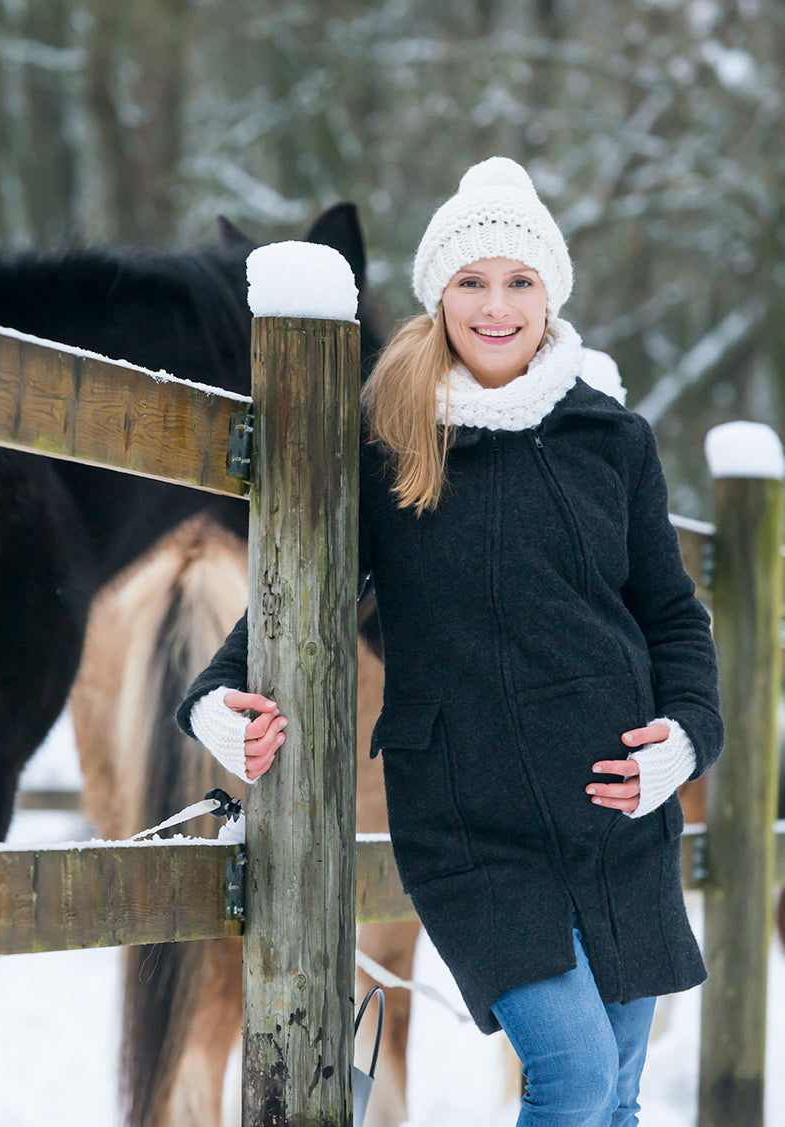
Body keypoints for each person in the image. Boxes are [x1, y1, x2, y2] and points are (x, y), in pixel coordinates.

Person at [175, 157, 723, 1127]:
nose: (495, 305)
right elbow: (302, 591)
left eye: (518, 280)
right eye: (471, 281)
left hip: (616, 810)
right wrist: (213, 695)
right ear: (438, 295)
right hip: (470, 824)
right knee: (574, 1076)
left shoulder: (613, 440)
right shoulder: (387, 439)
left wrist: (683, 738)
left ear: (549, 292)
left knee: (616, 1096)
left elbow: (672, 617)